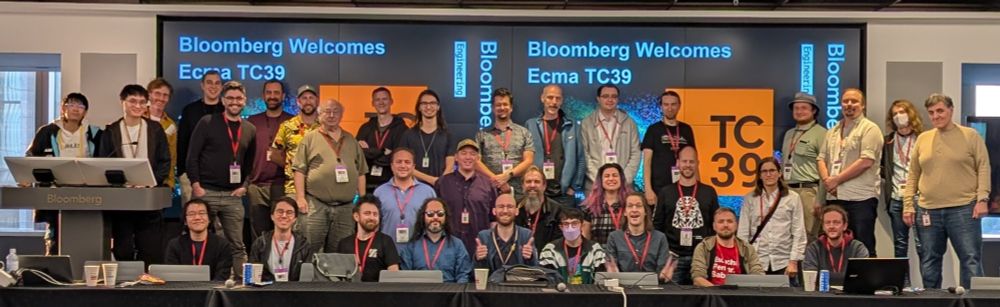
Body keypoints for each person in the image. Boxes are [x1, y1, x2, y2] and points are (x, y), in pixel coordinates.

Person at [903, 93, 991, 289]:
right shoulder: (923, 139)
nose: (936, 116)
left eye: (940, 111)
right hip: (927, 210)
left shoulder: (970, 136)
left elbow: (983, 167)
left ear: (951, 110)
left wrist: (982, 198)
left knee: (970, 260)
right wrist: (908, 205)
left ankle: (974, 302)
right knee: (929, 262)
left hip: (964, 209)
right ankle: (932, 302)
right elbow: (913, 175)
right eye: (932, 113)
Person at [186, 81, 256, 275]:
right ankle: (201, 281)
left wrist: (245, 186)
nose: (235, 102)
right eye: (231, 98)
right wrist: (196, 185)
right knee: (201, 241)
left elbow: (250, 163)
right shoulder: (207, 122)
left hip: (232, 196)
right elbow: (192, 156)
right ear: (223, 100)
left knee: (237, 244)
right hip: (205, 192)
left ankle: (242, 285)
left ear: (245, 101)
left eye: (239, 98)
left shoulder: (250, 129)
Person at [98, 84, 171, 266]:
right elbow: (102, 163)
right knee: (123, 249)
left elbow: (165, 162)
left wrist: (150, 183)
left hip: (148, 201)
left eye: (141, 102)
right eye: (132, 101)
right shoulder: (110, 131)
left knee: (151, 250)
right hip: (121, 202)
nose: (137, 106)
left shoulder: (155, 129)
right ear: (123, 102)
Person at [25, 92, 102, 255]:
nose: (75, 109)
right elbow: (30, 158)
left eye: (80, 106)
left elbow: (103, 161)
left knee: (87, 238)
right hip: (55, 194)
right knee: (55, 241)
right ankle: (54, 274)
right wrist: (25, 179)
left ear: (85, 112)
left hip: (88, 195)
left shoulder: (94, 133)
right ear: (63, 108)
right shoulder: (47, 132)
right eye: (71, 105)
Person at [293, 99, 368, 251]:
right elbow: (299, 170)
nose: (332, 115)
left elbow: (361, 172)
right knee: (309, 248)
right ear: (319, 115)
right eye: (327, 111)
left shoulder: (351, 140)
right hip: (316, 204)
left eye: (336, 111)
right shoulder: (309, 139)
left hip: (346, 208)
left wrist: (362, 200)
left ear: (341, 115)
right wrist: (300, 197)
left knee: (340, 251)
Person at [817, 88, 883, 255]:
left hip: (860, 199)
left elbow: (866, 161)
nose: (849, 105)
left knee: (863, 244)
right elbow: (821, 158)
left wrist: (836, 179)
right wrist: (827, 181)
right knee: (835, 246)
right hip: (834, 197)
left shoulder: (870, 129)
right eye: (846, 101)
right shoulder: (833, 131)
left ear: (863, 105)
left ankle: (867, 281)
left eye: (854, 101)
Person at [653, 146, 719, 285]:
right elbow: (657, 227)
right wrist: (662, 257)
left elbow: (715, 226)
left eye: (692, 161)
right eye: (684, 161)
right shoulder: (666, 192)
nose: (688, 165)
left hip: (701, 258)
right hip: (672, 258)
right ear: (677, 163)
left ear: (698, 163)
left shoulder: (709, 192)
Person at [737, 157, 806, 280]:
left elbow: (799, 232)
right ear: (759, 175)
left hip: (783, 262)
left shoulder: (793, 198)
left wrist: (793, 261)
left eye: (772, 170)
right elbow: (742, 233)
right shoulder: (750, 199)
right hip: (756, 262)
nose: (768, 174)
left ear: (779, 173)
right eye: (764, 171)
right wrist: (745, 260)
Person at [434, 139, 498, 258]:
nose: (468, 157)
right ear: (456, 157)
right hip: (448, 246)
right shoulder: (442, 183)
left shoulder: (488, 185)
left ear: (478, 158)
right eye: (463, 153)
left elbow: (493, 220)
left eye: (472, 154)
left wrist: (492, 245)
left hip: (479, 248)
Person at [247, 80, 294, 239]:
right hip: (257, 186)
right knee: (258, 233)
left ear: (283, 96)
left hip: (283, 185)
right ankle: (260, 263)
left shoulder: (293, 122)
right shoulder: (252, 122)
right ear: (263, 96)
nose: (272, 96)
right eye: (269, 93)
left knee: (283, 231)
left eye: (276, 93)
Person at [524, 84, 584, 207]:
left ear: (562, 101)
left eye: (557, 98)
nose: (554, 102)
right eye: (550, 98)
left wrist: (573, 188)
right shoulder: (531, 125)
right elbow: (525, 159)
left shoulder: (572, 126)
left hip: (564, 193)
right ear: (542, 98)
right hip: (538, 191)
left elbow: (581, 159)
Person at [881, 99, 924, 264]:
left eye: (902, 112)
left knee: (922, 245)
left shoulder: (922, 138)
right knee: (899, 246)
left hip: (919, 199)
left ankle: (928, 288)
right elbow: (882, 167)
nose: (899, 116)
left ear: (910, 114)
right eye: (895, 114)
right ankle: (903, 284)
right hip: (896, 199)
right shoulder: (888, 141)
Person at [780, 92, 827, 240]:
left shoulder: (822, 133)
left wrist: (820, 198)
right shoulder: (789, 134)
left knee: (809, 235)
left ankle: (810, 264)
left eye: (804, 108)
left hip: (809, 192)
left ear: (813, 111)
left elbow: (826, 168)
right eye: (796, 108)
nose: (799, 111)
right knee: (788, 234)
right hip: (788, 191)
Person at [581, 84, 641, 190]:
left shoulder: (629, 122)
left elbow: (636, 153)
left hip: (624, 186)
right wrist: (600, 179)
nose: (610, 99)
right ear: (598, 99)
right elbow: (584, 155)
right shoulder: (587, 123)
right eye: (605, 96)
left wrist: (623, 179)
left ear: (618, 99)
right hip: (594, 185)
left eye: (614, 96)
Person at [399, 198, 473, 283]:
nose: (435, 217)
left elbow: (463, 275)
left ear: (446, 217)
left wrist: (456, 294)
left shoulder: (457, 244)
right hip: (419, 292)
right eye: (430, 214)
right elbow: (405, 277)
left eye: (440, 214)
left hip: (449, 293)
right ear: (423, 217)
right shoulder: (411, 246)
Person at [476, 88, 535, 195]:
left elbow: (529, 160)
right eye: (498, 105)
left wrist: (508, 175)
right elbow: (476, 162)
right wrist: (497, 180)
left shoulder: (524, 133)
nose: (502, 107)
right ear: (493, 108)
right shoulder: (482, 134)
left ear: (511, 107)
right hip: (490, 190)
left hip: (519, 192)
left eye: (505, 104)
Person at [641, 90, 696, 205]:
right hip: (658, 188)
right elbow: (646, 162)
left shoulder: (686, 129)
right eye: (666, 104)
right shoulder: (653, 129)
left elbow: (693, 160)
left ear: (679, 105)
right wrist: (648, 189)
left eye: (673, 104)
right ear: (661, 106)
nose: (670, 108)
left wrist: (697, 186)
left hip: (683, 186)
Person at [177, 71, 223, 205]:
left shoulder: (227, 110)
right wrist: (182, 173)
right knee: (192, 217)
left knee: (218, 223)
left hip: (220, 176)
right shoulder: (190, 110)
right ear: (202, 85)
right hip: (191, 175)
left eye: (217, 83)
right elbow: (182, 142)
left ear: (221, 87)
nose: (213, 86)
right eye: (209, 82)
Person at [374, 148, 437, 245]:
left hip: (419, 251)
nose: (403, 165)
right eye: (399, 162)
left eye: (407, 162)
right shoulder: (379, 192)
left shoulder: (428, 192)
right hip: (388, 251)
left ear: (413, 166)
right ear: (392, 166)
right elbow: (375, 226)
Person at [605, 192, 673, 281]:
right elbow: (612, 269)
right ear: (625, 212)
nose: (634, 209)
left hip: (652, 290)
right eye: (630, 206)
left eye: (638, 206)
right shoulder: (614, 237)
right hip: (623, 289)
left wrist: (664, 275)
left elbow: (662, 272)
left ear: (645, 212)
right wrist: (612, 273)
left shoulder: (660, 238)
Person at [691, 207, 764, 287]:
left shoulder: (747, 248)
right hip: (711, 295)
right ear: (714, 226)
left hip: (741, 295)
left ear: (736, 225)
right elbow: (698, 278)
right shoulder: (703, 247)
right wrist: (717, 293)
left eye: (730, 221)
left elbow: (758, 275)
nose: (725, 225)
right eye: (721, 221)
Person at [335, 195, 401, 282]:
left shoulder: (386, 241)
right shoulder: (344, 243)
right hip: (350, 292)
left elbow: (394, 274)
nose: (372, 218)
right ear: (356, 216)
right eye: (367, 213)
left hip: (378, 293)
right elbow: (337, 275)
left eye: (375, 214)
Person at [165, 199, 234, 281]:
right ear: (185, 221)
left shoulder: (223, 245)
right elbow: (172, 276)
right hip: (182, 291)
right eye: (191, 214)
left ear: (209, 219)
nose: (197, 217)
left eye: (202, 213)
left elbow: (222, 276)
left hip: (212, 291)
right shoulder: (175, 245)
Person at [398, 89, 456, 186]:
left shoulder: (447, 135)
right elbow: (404, 166)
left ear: (438, 107)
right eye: (424, 103)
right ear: (419, 107)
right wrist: (432, 180)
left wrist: (441, 181)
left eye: (432, 103)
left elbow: (450, 165)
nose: (428, 107)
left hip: (441, 187)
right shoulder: (408, 135)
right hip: (414, 187)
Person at [248, 197, 315, 282]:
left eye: (289, 213)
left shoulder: (304, 245)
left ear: (295, 218)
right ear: (272, 216)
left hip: (295, 292)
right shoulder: (260, 243)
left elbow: (307, 280)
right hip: (266, 291)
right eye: (280, 212)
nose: (284, 216)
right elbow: (252, 277)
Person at [271, 85, 321, 197]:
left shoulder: (325, 127)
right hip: (293, 188)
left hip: (319, 189)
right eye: (304, 98)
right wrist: (291, 166)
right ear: (298, 102)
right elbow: (274, 154)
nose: (308, 101)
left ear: (317, 101)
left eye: (311, 98)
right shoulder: (287, 126)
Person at [357, 87, 408, 193]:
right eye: (377, 99)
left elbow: (398, 157)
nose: (381, 102)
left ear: (391, 101)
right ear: (372, 103)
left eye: (384, 99)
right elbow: (359, 156)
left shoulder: (402, 129)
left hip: (393, 184)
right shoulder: (365, 128)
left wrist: (370, 152)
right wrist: (384, 152)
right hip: (367, 185)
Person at [538, 208, 607, 285]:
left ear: (582, 225)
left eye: (574, 223)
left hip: (588, 294)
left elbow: (601, 281)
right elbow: (547, 281)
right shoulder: (550, 250)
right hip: (559, 294)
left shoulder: (595, 249)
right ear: (561, 227)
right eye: (566, 224)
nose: (570, 228)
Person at [802, 205, 869, 282]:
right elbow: (810, 277)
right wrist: (846, 277)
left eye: (836, 222)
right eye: (827, 223)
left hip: (849, 293)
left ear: (845, 226)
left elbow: (861, 276)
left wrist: (824, 277)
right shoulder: (814, 248)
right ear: (823, 227)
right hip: (821, 293)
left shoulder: (858, 248)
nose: (831, 226)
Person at [474, 194, 537, 272]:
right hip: (491, 283)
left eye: (510, 207)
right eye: (501, 207)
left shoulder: (526, 235)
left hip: (518, 283)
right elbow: (475, 274)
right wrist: (479, 260)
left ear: (517, 211)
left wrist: (530, 258)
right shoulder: (483, 236)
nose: (505, 211)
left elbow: (535, 270)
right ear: (494, 211)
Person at [581, 163, 632, 245]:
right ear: (600, 181)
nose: (611, 178)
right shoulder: (589, 207)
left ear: (621, 179)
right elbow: (585, 238)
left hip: (625, 254)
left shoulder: (630, 204)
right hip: (599, 255)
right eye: (607, 176)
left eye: (615, 175)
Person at [515, 166, 564, 250]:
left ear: (544, 186)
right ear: (522, 185)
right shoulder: (514, 207)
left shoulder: (556, 210)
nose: (532, 185)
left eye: (537, 182)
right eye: (528, 182)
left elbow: (558, 243)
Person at [145, 78, 178, 190]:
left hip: (160, 180)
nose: (161, 98)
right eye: (157, 93)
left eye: (165, 95)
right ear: (149, 95)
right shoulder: (139, 117)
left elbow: (172, 156)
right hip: (138, 178)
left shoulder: (171, 124)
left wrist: (170, 183)